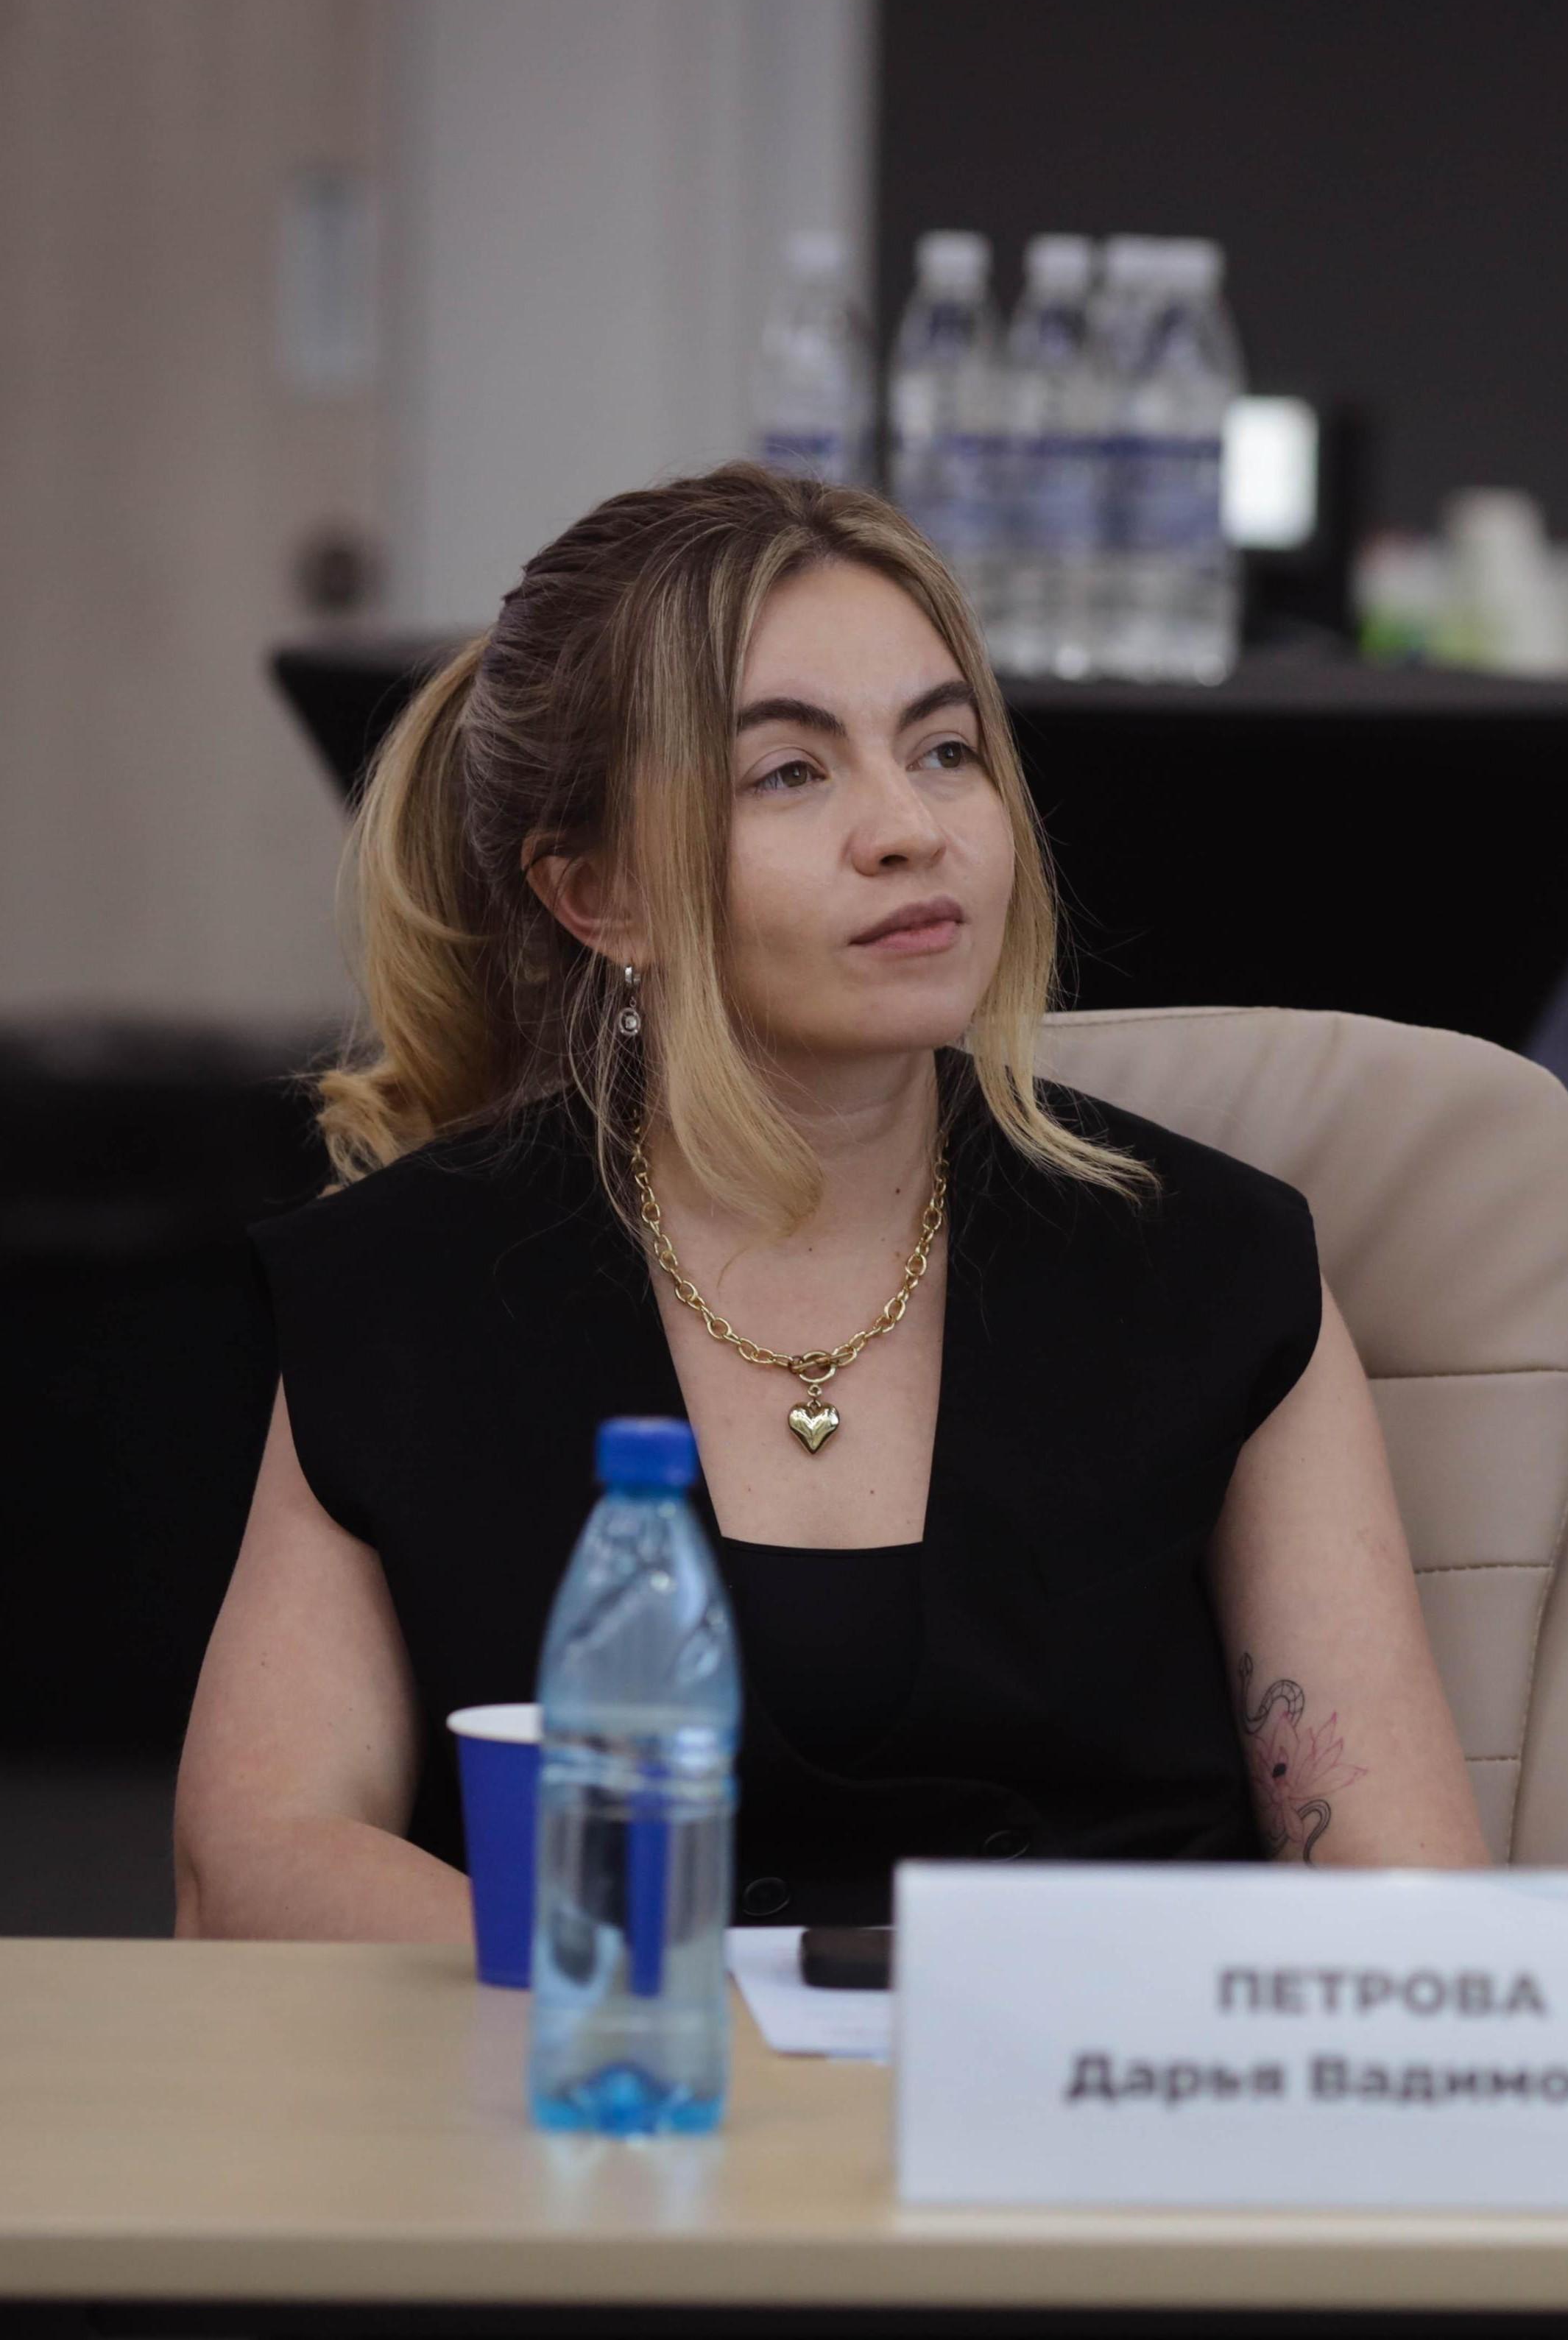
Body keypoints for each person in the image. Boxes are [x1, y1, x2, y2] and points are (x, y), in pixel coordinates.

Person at [175, 465, 1488, 1937]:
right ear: (598, 895)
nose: (910, 827)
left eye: (944, 749)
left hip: (1100, 2068)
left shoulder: (1220, 1269)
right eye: (790, 773)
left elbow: (1405, 1893)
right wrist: (683, 2011)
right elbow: (256, 1850)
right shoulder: (401, 1288)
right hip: (601, 2064)